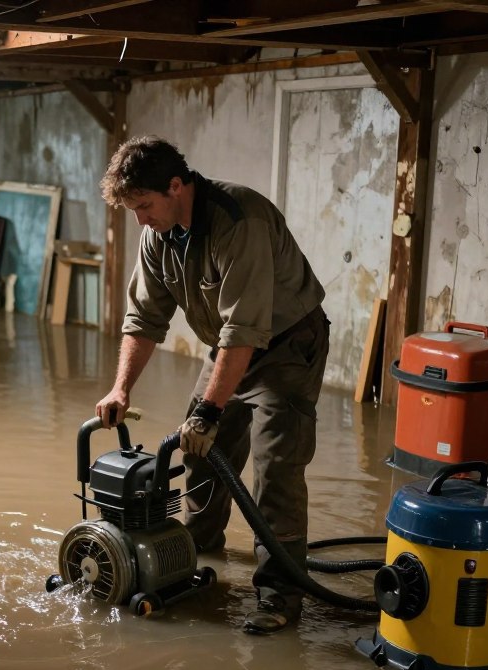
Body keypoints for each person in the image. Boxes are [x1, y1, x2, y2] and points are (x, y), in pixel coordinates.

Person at [95, 135, 329, 634]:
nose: (140, 220)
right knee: (199, 453)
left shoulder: (239, 220)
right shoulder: (158, 236)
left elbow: (244, 328)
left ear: (175, 186)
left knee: (276, 470)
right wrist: (121, 389)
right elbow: (143, 319)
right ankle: (194, 552)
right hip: (227, 346)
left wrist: (208, 411)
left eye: (144, 206)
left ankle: (279, 596)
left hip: (286, 346)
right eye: (133, 210)